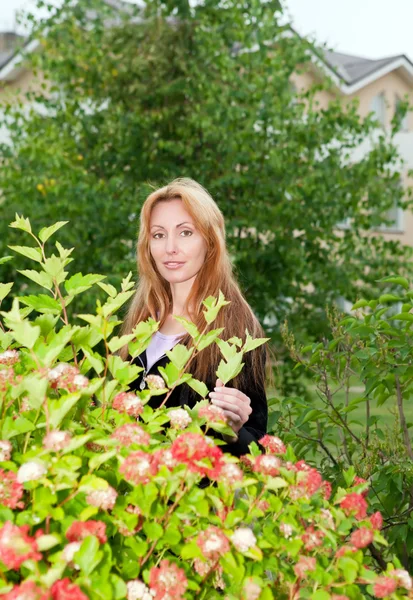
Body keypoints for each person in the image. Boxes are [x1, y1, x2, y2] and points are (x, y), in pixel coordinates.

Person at [120, 178, 268, 457]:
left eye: (185, 233)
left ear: (210, 242)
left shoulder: (236, 330)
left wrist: (234, 431)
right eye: (159, 235)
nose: (170, 248)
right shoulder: (138, 323)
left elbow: (258, 450)